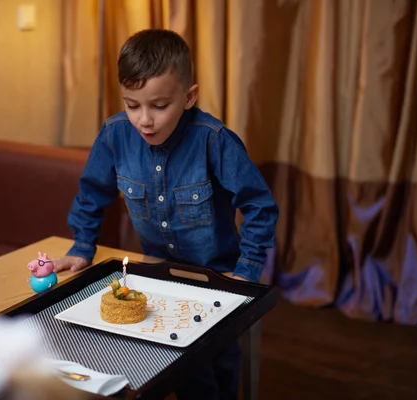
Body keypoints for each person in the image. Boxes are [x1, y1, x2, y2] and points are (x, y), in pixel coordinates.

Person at [53, 29, 279, 400]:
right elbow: (92, 192)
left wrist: (247, 269)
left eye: (159, 106)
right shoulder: (114, 134)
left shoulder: (214, 139)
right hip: (156, 272)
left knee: (219, 359)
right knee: (177, 365)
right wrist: (82, 246)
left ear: (189, 96)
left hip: (216, 276)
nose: (144, 120)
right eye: (132, 104)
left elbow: (259, 205)